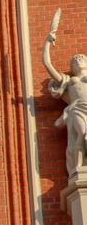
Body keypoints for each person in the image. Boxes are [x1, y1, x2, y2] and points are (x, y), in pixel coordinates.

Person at [43, 28, 87, 175]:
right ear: (71, 68)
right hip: (77, 109)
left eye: (81, 58)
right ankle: (78, 169)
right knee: (81, 134)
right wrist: (48, 42)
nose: (78, 60)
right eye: (74, 60)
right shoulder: (68, 80)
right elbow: (47, 64)